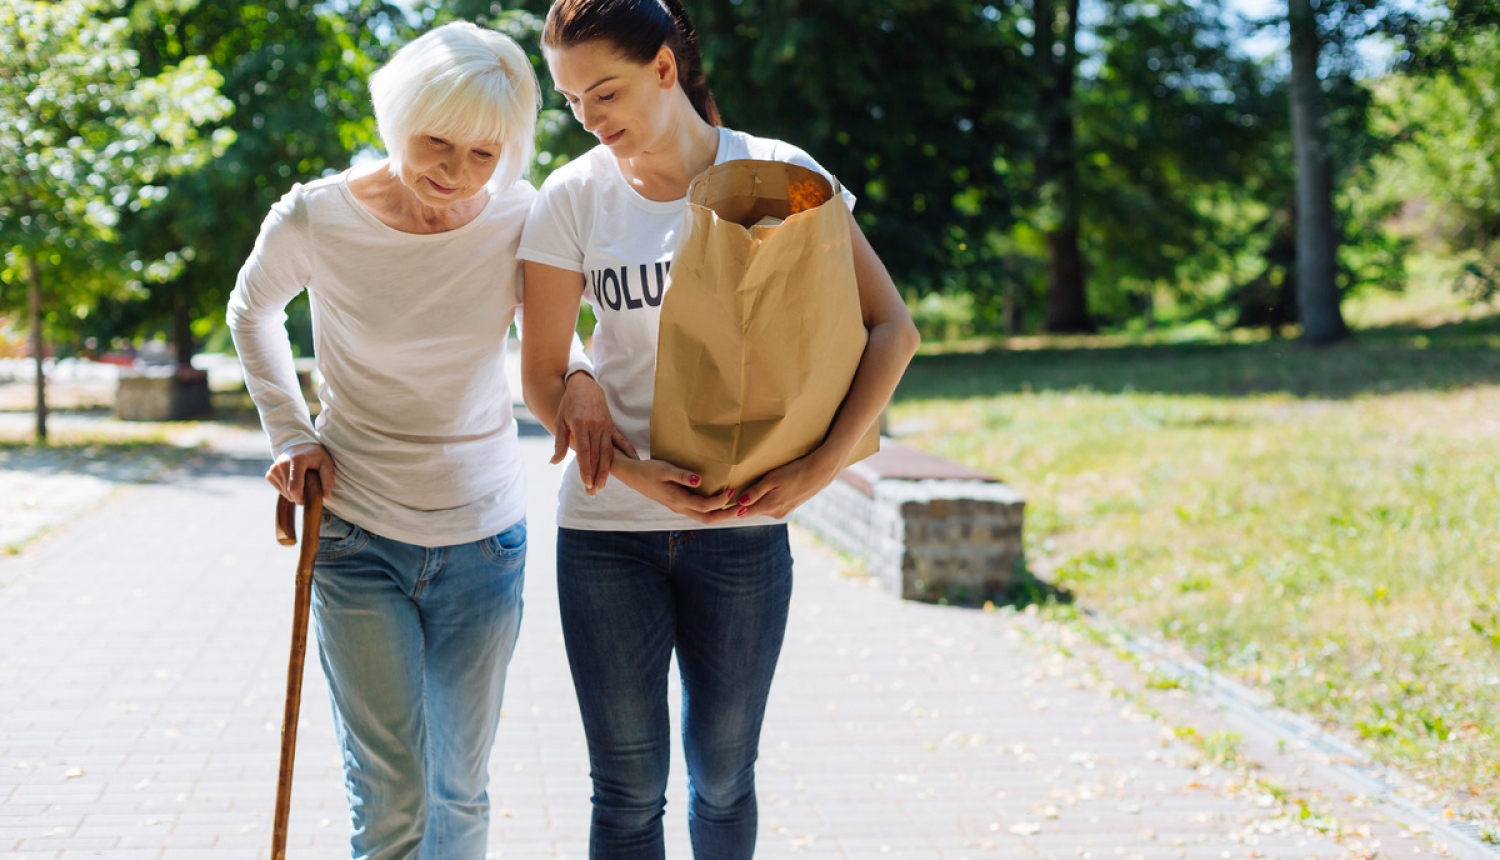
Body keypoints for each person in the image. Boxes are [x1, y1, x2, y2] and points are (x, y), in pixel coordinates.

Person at [517, 1, 922, 856]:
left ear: (665, 67)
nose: (591, 120)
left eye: (606, 92)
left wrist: (816, 473)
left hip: (742, 533)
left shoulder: (777, 175)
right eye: (573, 102)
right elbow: (543, 373)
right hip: (606, 534)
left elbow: (894, 330)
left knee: (725, 778)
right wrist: (630, 472)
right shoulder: (573, 197)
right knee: (625, 791)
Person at [227, 22, 564, 859]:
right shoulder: (319, 215)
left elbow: (556, 334)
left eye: (485, 153)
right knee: (391, 800)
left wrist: (582, 379)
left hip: (485, 539)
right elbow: (252, 309)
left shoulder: (522, 216)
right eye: (437, 142)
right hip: (356, 534)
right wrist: (290, 430)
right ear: (396, 115)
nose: (455, 173)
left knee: (461, 788)